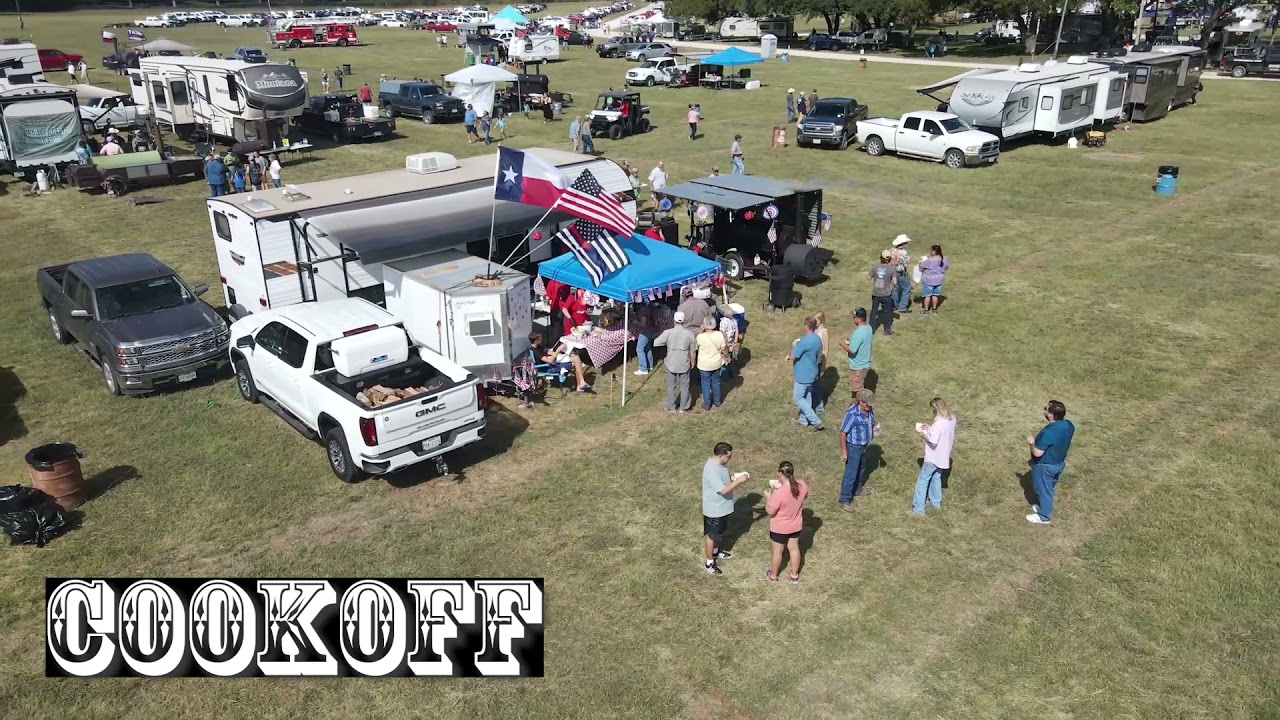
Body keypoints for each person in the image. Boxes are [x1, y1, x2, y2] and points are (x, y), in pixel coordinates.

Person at [701, 442, 750, 576]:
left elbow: (723, 478)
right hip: (714, 509)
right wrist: (738, 481)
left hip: (722, 508)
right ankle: (709, 562)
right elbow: (722, 490)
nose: (730, 458)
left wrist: (734, 477)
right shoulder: (711, 470)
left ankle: (716, 552)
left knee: (719, 533)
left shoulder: (720, 465)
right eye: (728, 456)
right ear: (721, 455)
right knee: (712, 535)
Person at [1026, 400, 1074, 525]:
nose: (1044, 410)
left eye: (1046, 409)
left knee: (1044, 491)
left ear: (1051, 414)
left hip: (1045, 467)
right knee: (1048, 488)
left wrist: (1032, 443)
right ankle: (1043, 507)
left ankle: (1044, 517)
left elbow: (1037, 453)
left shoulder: (1048, 433)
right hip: (1059, 463)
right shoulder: (1069, 425)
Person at [764, 461, 808, 583]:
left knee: (777, 552)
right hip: (795, 526)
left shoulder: (779, 493)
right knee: (794, 549)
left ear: (780, 473)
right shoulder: (801, 485)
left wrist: (768, 497)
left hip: (779, 528)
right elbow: (804, 495)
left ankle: (773, 576)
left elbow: (770, 511)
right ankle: (794, 575)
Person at [912, 398, 956, 515]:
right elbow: (941, 434)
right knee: (936, 478)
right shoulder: (952, 419)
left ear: (936, 409)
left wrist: (923, 435)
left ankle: (918, 510)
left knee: (922, 481)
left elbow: (933, 441)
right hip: (943, 456)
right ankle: (936, 504)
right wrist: (929, 428)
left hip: (933, 457)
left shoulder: (939, 424)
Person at [839, 389, 879, 510]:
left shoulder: (869, 410)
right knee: (851, 474)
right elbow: (843, 432)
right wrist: (844, 450)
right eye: (868, 404)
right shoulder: (852, 414)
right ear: (861, 402)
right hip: (854, 447)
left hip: (864, 446)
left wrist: (874, 427)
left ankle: (857, 489)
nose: (870, 406)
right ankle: (844, 499)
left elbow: (871, 421)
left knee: (861, 468)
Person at [654, 312, 696, 413]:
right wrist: (693, 361)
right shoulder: (690, 334)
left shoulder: (668, 332)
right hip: (684, 362)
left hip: (671, 362)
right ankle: (683, 407)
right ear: (684, 321)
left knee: (671, 386)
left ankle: (671, 407)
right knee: (684, 386)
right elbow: (693, 350)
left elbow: (656, 343)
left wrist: (667, 343)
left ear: (674, 320)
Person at [788, 316, 824, 430]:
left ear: (806, 327)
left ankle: (816, 421)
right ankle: (803, 421)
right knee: (807, 396)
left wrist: (793, 345)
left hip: (803, 374)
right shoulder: (817, 338)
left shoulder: (803, 341)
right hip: (812, 372)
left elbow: (792, 357)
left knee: (798, 398)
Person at [840, 307, 873, 399]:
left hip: (858, 366)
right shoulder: (868, 328)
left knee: (857, 391)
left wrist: (843, 344)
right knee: (859, 386)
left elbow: (852, 350)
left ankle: (859, 405)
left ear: (859, 319)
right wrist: (851, 341)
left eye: (854, 317)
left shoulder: (858, 333)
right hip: (865, 363)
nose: (853, 319)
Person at [695, 316, 727, 411]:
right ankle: (717, 401)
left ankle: (707, 404)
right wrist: (727, 356)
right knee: (716, 382)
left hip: (704, 364)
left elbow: (695, 347)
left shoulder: (700, 337)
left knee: (705, 384)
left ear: (704, 324)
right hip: (716, 362)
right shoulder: (719, 334)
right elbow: (723, 348)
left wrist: (700, 331)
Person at [869, 251, 897, 335]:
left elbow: (868, 277)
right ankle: (887, 330)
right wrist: (889, 280)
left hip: (876, 293)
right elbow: (895, 282)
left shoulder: (875, 267)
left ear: (881, 257)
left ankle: (871, 330)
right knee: (886, 312)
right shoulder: (891, 269)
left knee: (873, 311)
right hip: (886, 294)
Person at [917, 244, 949, 315]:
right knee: (935, 295)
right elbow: (946, 267)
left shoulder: (930, 260)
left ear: (934, 251)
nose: (930, 252)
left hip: (929, 280)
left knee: (927, 295)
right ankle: (934, 309)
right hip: (939, 280)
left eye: (931, 250)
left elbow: (921, 266)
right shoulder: (944, 259)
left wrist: (920, 262)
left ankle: (926, 310)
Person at [812, 311, 830, 415]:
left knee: (817, 384)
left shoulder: (824, 332)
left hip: (819, 360)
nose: (814, 321)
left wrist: (823, 363)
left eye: (816, 320)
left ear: (821, 320)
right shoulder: (813, 330)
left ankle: (819, 406)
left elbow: (826, 349)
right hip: (812, 360)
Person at [889, 235, 912, 313]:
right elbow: (905, 264)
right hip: (901, 272)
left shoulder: (891, 250)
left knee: (895, 288)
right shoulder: (904, 252)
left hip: (892, 271)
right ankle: (902, 306)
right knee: (907, 288)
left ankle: (894, 305)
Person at [633, 305, 654, 376]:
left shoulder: (643, 311)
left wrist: (636, 322)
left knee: (639, 349)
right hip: (650, 330)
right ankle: (650, 365)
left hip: (644, 332)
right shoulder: (650, 308)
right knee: (647, 348)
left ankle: (643, 369)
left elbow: (643, 324)